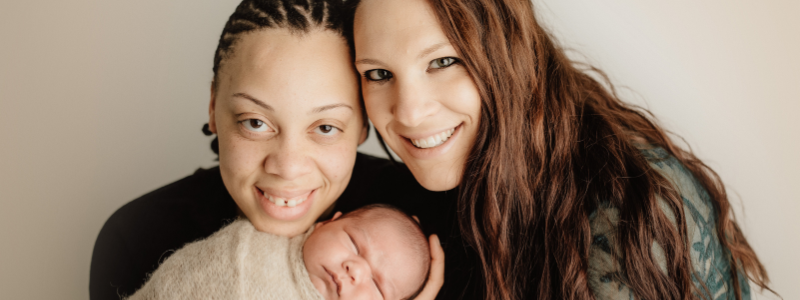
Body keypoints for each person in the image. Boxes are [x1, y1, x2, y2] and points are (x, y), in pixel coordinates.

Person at [348, 0, 772, 299]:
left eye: (443, 62)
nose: (409, 112)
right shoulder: (414, 196)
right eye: (378, 73)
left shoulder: (632, 211)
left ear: (505, 51)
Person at [89, 1, 444, 299]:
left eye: (325, 128)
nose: (288, 168)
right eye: (255, 122)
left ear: (362, 125)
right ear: (213, 106)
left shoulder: (430, 229)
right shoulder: (135, 237)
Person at [127, 204, 430, 300]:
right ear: (326, 222)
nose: (356, 269)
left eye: (377, 286)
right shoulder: (247, 250)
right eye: (353, 243)